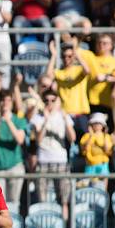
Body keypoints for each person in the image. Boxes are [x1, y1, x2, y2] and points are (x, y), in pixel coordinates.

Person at [32, 89, 75, 219]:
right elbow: (38, 140)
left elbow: (72, 138)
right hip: (43, 162)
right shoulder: (38, 117)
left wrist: (65, 119)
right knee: (43, 200)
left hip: (61, 162)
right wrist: (46, 120)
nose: (49, 103)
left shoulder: (64, 116)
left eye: (53, 100)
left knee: (64, 201)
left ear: (57, 101)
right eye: (46, 101)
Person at [0, 90, 28, 204]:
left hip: (15, 166)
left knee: (14, 202)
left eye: (9, 100)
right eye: (3, 100)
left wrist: (8, 121)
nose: (6, 103)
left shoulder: (19, 120)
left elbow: (20, 140)